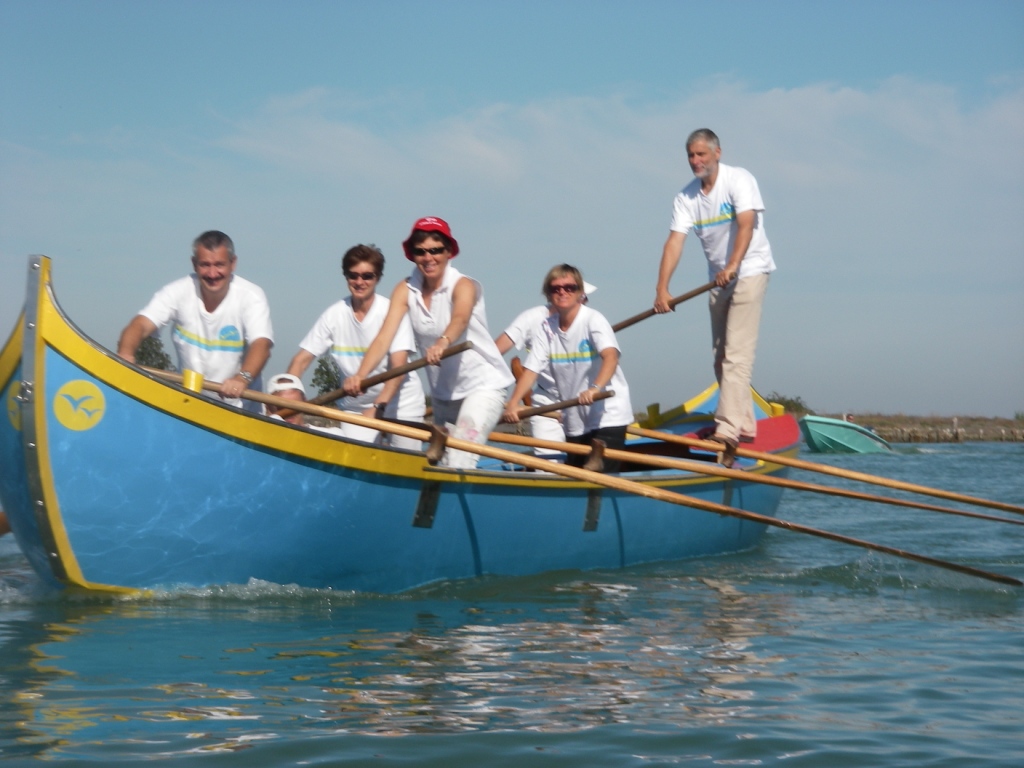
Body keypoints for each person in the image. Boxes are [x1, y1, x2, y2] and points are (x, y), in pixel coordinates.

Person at [343, 217, 514, 468]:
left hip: (483, 387)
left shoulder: (463, 285)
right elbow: (383, 339)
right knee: (441, 462)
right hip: (444, 395)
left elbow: (461, 317)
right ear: (412, 255)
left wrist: (443, 341)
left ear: (448, 253)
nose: (428, 257)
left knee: (459, 457)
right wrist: (360, 375)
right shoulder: (405, 288)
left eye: (435, 250)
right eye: (420, 251)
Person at [653, 128, 775, 460]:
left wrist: (734, 263)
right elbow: (674, 241)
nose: (695, 161)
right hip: (718, 280)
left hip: (749, 269)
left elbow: (746, 224)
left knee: (737, 354)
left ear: (717, 153)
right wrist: (662, 289)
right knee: (721, 358)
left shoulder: (739, 180)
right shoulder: (686, 197)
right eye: (691, 156)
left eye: (701, 154)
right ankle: (745, 423)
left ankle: (728, 431)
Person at [286, 244, 425, 451]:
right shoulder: (334, 314)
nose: (360, 282)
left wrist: (378, 407)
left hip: (399, 404)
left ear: (378, 278)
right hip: (355, 408)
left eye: (367, 276)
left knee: (405, 463)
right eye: (353, 276)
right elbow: (301, 360)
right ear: (346, 277)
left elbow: (397, 369)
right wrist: (286, 400)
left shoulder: (391, 312)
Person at [117, 230, 274, 413]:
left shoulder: (252, 296)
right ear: (194, 264)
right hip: (189, 405)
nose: (212, 273)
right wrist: (126, 354)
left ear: (233, 264)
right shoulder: (177, 291)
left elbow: (262, 345)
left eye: (219, 265)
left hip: (240, 411)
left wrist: (242, 379)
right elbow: (140, 325)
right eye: (205, 265)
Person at [503, 265, 633, 472]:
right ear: (548, 294)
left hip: (607, 413)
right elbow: (531, 370)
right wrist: (512, 403)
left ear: (580, 292)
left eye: (569, 287)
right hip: (575, 417)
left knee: (598, 475)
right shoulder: (547, 328)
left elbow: (611, 357)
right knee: (572, 475)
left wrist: (595, 388)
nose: (562, 292)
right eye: (555, 289)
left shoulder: (593, 320)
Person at [495, 281, 598, 459]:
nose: (584, 302)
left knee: (585, 462)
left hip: (582, 402)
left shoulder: (591, 321)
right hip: (547, 403)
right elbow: (495, 351)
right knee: (549, 466)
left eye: (584, 297)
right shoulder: (532, 318)